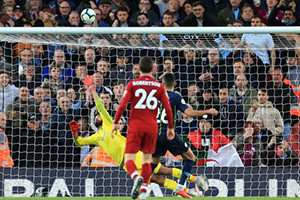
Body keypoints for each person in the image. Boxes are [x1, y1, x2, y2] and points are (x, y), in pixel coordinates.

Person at [71, 76, 205, 198]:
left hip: (134, 155)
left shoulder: (108, 124)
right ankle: (185, 191)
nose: (98, 116)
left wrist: (92, 89)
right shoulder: (95, 137)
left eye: (98, 115)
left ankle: (194, 180)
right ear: (94, 122)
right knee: (156, 179)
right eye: (96, 117)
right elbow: (80, 142)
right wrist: (75, 133)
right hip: (125, 164)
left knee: (164, 170)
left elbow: (99, 106)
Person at [110, 57, 174, 200]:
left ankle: (135, 177)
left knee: (129, 158)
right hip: (152, 126)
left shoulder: (133, 84)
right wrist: (170, 127)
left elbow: (122, 105)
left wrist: (115, 122)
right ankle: (144, 190)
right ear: (153, 69)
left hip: (136, 125)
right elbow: (168, 108)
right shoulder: (159, 86)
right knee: (146, 160)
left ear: (139, 69)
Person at [152, 73, 218, 198]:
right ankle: (180, 187)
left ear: (162, 84)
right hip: (168, 133)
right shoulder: (175, 96)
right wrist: (208, 111)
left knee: (153, 166)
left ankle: (139, 188)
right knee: (191, 158)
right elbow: (189, 112)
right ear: (175, 84)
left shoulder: (155, 96)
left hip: (155, 134)